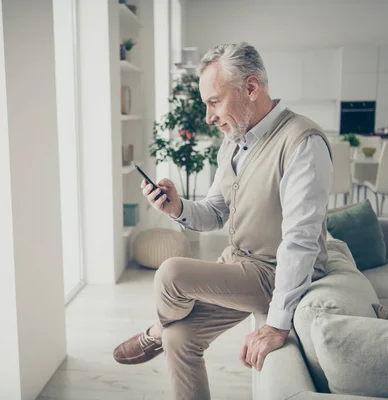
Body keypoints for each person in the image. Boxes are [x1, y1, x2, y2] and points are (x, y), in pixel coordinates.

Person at [112, 42, 333, 400]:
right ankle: (163, 333)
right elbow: (216, 211)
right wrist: (178, 208)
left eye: (214, 101)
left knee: (170, 274)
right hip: (240, 266)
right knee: (179, 337)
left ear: (250, 88)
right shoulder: (233, 143)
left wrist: (277, 325)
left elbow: (301, 240)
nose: (208, 116)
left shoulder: (301, 142)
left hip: (275, 273)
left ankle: (153, 331)